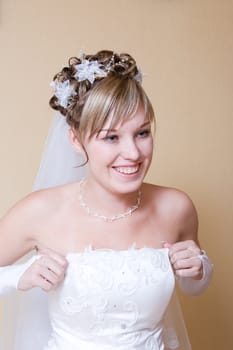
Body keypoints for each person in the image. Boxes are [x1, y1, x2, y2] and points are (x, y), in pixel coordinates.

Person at [0, 50, 213, 350]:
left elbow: (193, 285)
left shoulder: (175, 207)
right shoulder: (40, 211)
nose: (134, 153)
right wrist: (19, 276)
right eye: (111, 137)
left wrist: (199, 268)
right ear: (76, 139)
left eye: (141, 132)